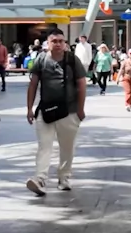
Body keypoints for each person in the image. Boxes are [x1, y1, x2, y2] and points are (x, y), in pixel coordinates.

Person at [25, 31, 88, 196]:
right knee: (44, 146)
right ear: (48, 43)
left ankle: (64, 178)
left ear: (65, 43)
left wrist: (80, 110)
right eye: (54, 41)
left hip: (69, 111)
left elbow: (82, 85)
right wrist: (29, 108)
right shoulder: (41, 59)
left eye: (61, 41)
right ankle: (39, 179)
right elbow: (33, 84)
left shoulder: (72, 60)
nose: (58, 44)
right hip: (45, 111)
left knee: (67, 148)